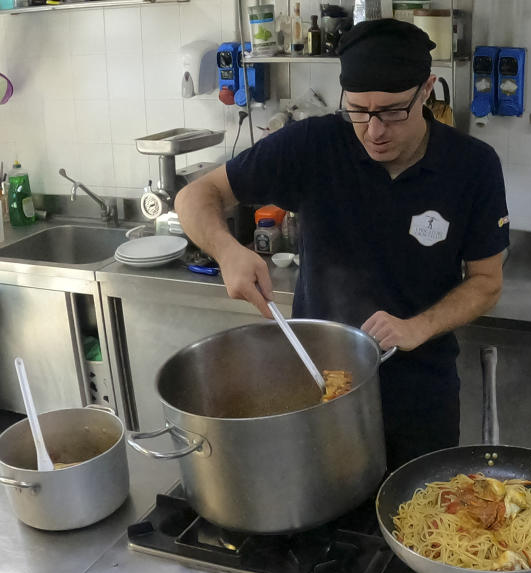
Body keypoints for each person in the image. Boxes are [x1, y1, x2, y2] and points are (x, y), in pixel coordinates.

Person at [175, 19, 510, 470]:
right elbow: (195, 196)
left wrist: (418, 326)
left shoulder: (472, 167)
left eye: (393, 112)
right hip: (319, 388)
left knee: (419, 525)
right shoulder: (312, 147)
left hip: (420, 396)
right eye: (358, 110)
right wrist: (227, 250)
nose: (374, 131)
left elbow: (487, 282)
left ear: (427, 90)